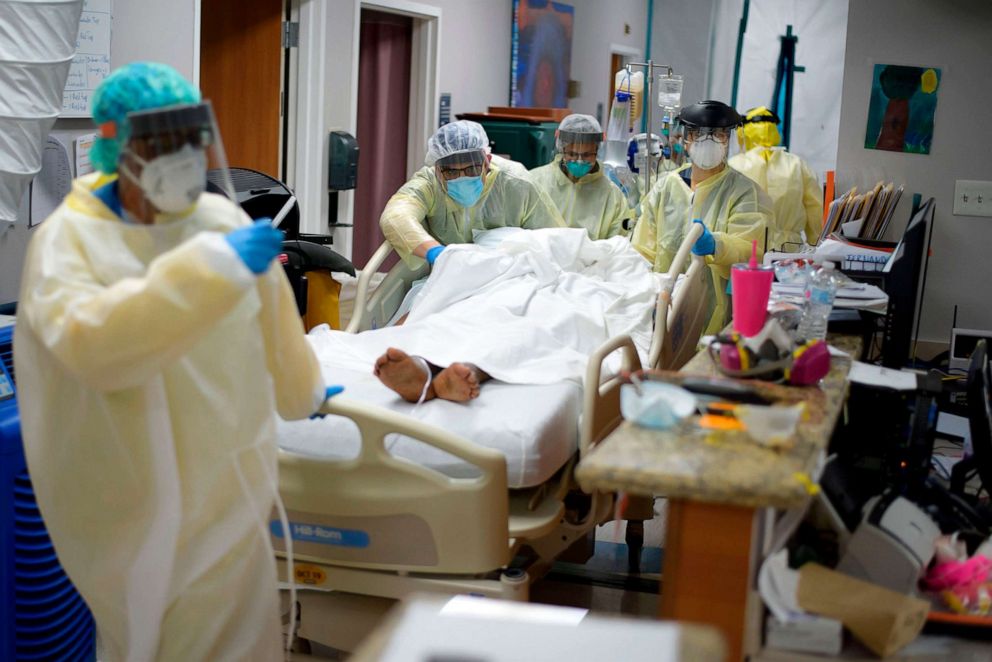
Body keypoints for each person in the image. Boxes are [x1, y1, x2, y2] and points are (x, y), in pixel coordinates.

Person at [13, 62, 340, 661]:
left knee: (230, 635)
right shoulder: (69, 241)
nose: (185, 156)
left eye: (192, 138)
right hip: (118, 487)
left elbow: (272, 319)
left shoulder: (216, 219)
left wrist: (305, 392)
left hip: (223, 479)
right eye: (164, 142)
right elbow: (91, 345)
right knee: (140, 636)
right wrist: (210, 270)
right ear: (116, 147)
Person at [631, 100, 773, 334]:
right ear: (686, 140)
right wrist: (644, 293)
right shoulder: (666, 187)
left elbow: (752, 250)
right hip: (661, 304)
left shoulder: (744, 191)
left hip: (713, 310)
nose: (709, 141)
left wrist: (717, 244)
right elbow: (643, 250)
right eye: (699, 134)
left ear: (728, 140)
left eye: (718, 134)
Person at [379, 120, 565, 268]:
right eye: (451, 172)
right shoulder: (429, 184)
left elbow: (555, 237)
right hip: (452, 272)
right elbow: (396, 216)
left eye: (471, 170)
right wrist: (436, 253)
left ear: (487, 161)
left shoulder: (516, 183)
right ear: (436, 170)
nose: (462, 178)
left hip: (511, 273)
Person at [729, 106, 823, 250]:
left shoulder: (734, 165)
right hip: (788, 251)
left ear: (744, 133)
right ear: (774, 130)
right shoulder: (796, 164)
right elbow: (815, 209)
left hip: (745, 249)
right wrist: (817, 246)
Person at [527, 114, 631, 240]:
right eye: (572, 154)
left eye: (587, 155)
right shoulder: (535, 182)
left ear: (598, 150)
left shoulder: (612, 197)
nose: (579, 161)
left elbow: (616, 245)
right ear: (561, 148)